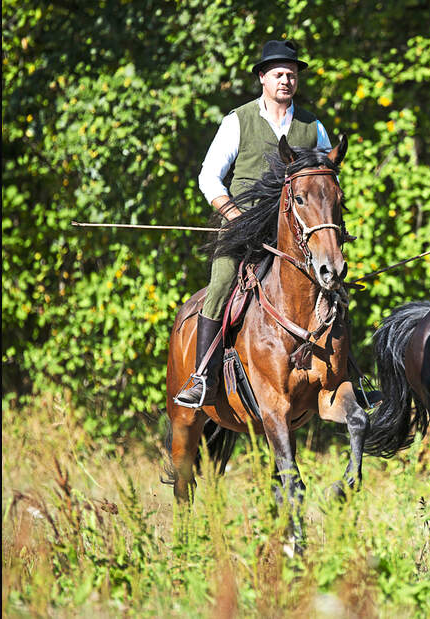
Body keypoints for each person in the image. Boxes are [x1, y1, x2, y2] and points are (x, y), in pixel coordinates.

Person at [174, 40, 333, 408]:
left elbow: (324, 179)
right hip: (243, 229)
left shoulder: (314, 127)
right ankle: (202, 376)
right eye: (278, 74)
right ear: (263, 78)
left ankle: (348, 371)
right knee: (222, 282)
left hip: (297, 234)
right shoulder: (238, 121)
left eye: (291, 75)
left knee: (333, 285)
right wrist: (234, 216)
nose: (286, 80)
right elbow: (208, 177)